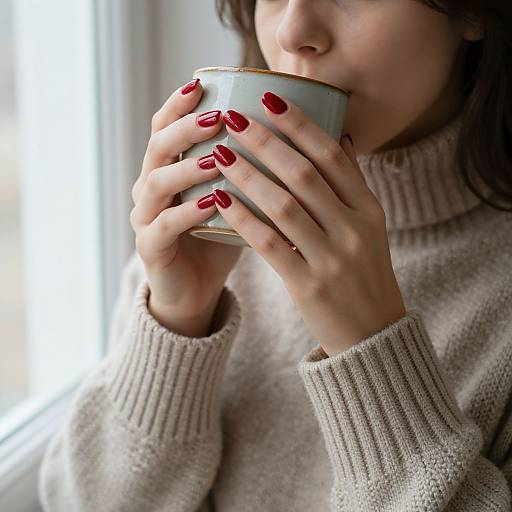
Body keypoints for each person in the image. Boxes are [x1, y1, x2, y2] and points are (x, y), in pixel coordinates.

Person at [39, 0, 512, 510]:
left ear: (474, 11)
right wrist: (177, 320)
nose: (292, 31)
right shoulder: (211, 223)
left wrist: (370, 346)